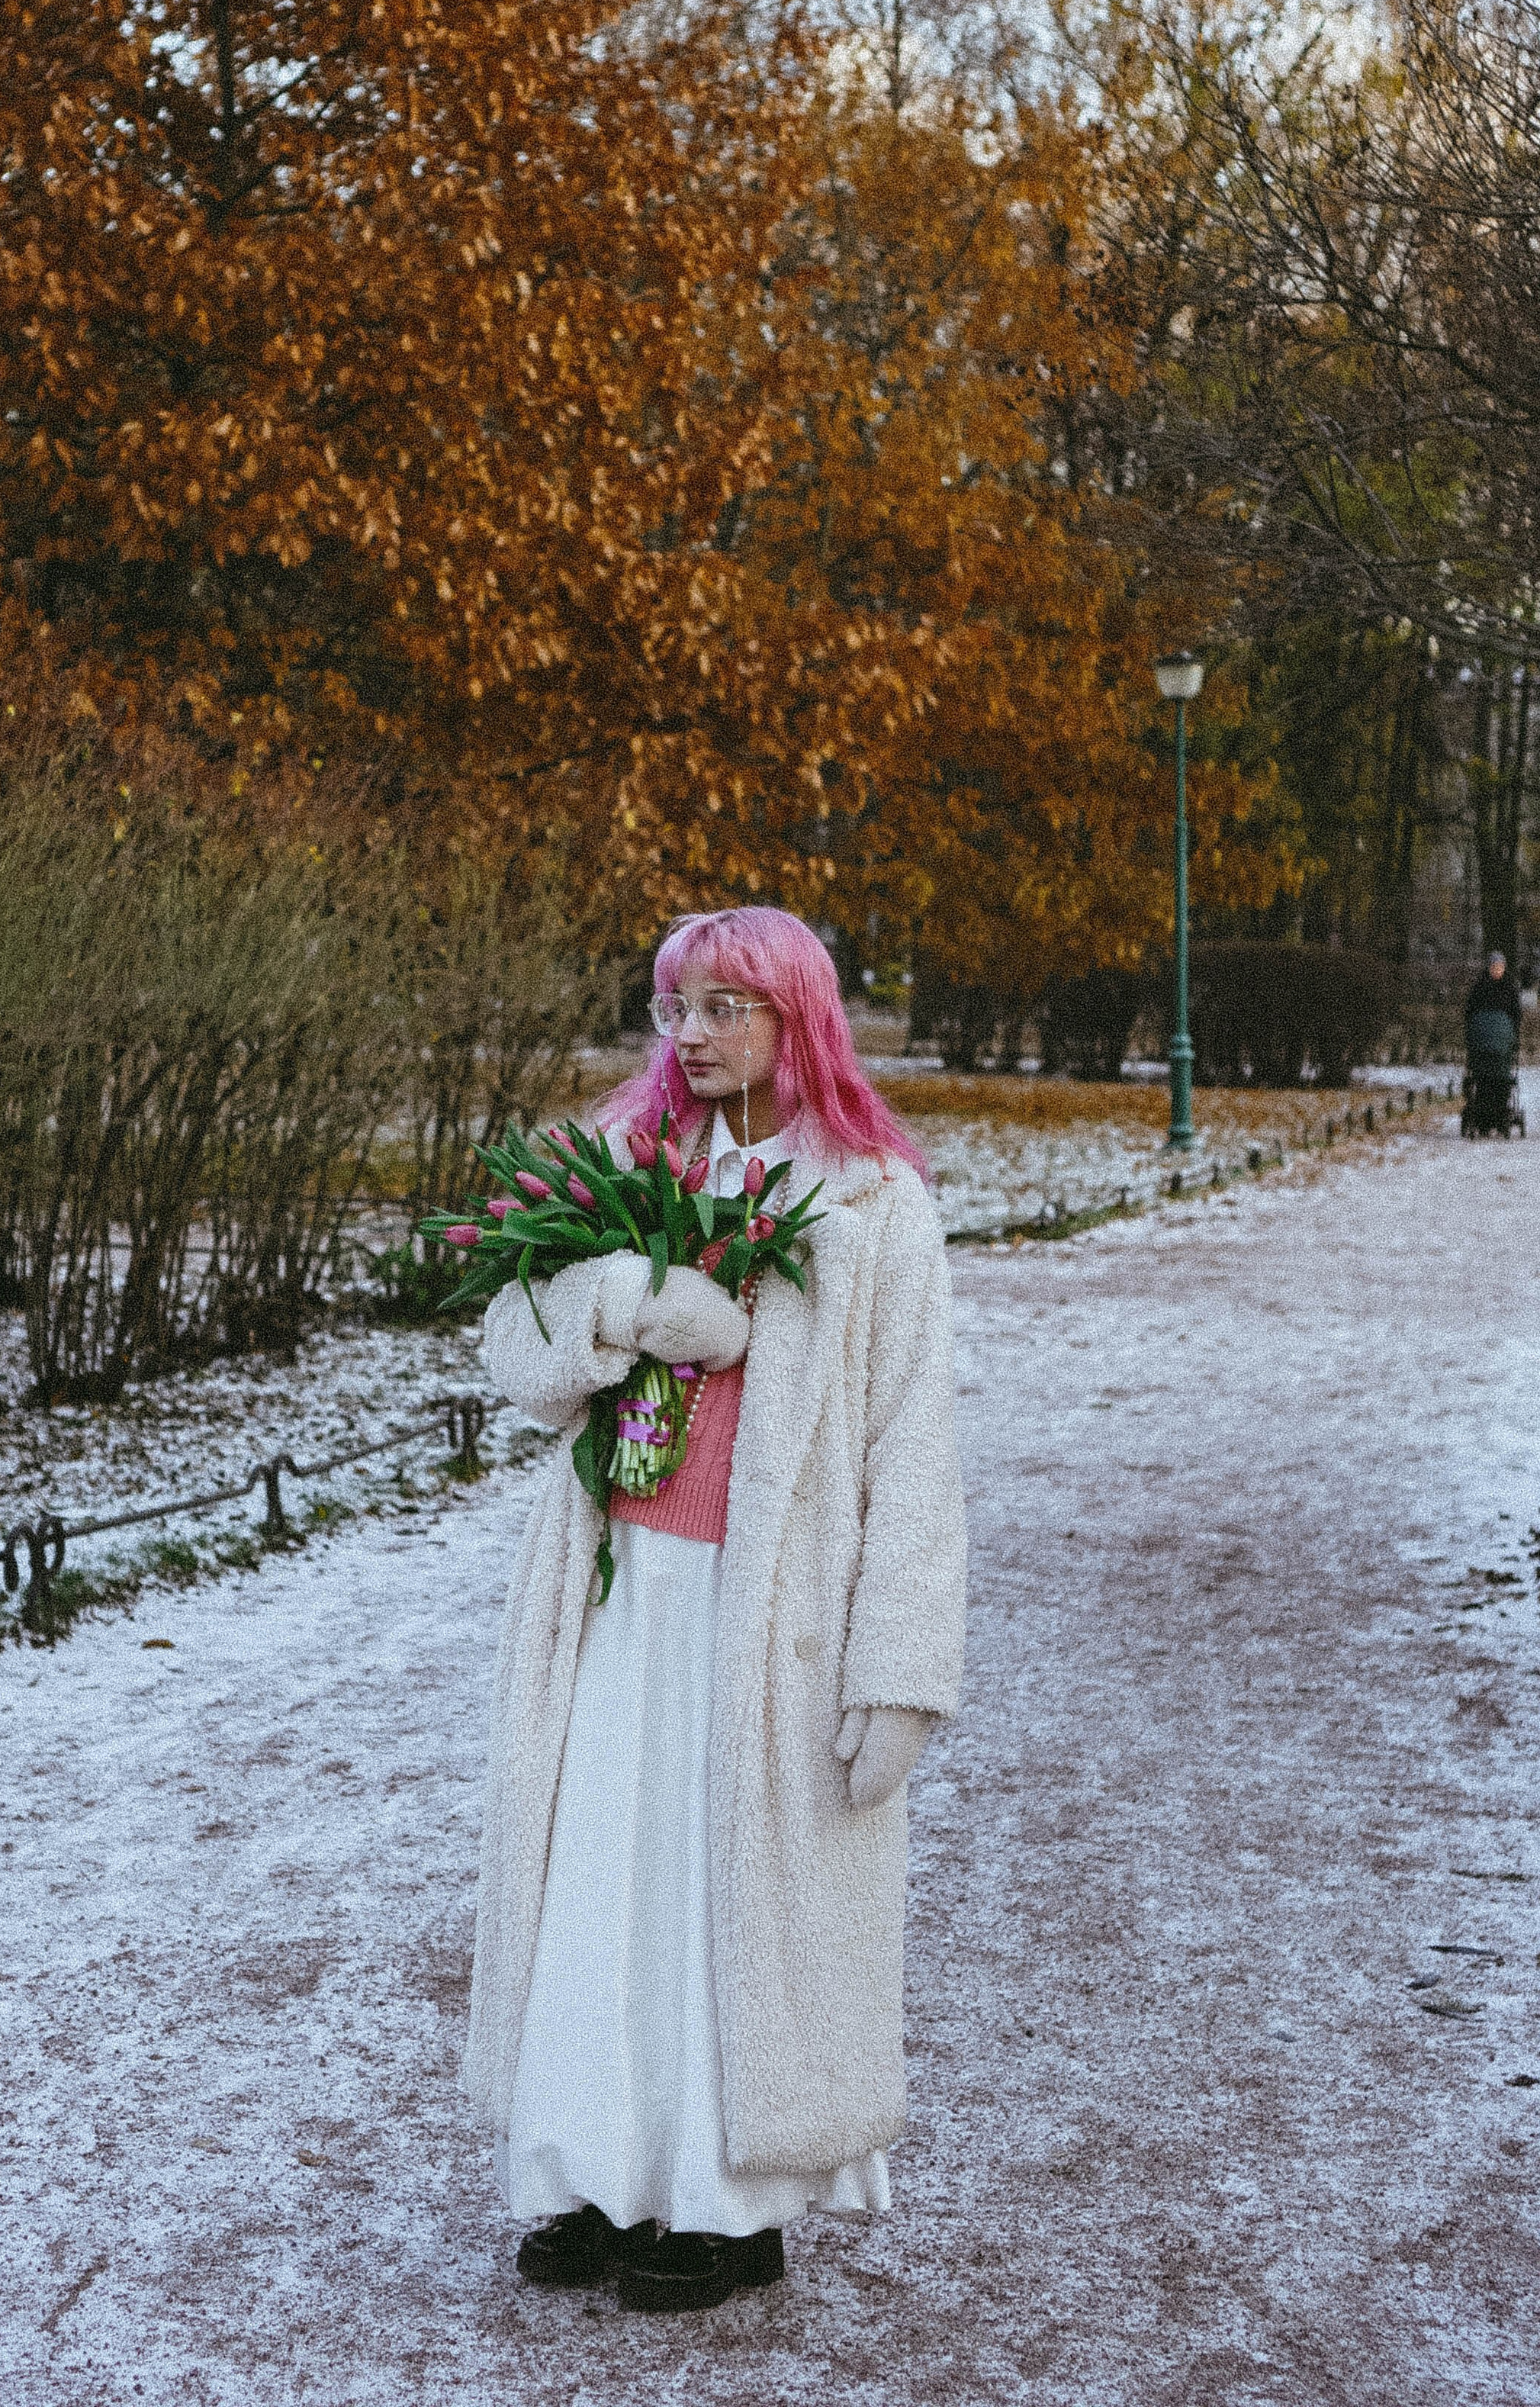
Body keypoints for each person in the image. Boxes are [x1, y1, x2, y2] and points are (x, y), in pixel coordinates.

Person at [465, 906, 965, 2316]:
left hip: (774, 1621)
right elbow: (516, 1346)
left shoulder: (872, 1202)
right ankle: (585, 2169)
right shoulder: (623, 1163)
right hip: (615, 1599)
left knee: (720, 1902)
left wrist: (903, 1670)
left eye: (727, 1007)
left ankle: (722, 2205)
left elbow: (912, 1450)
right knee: (600, 1886)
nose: (694, 1035)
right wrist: (627, 1296)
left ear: (795, 1015)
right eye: (678, 1006)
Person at [1463, 949, 1519, 1138]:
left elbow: (1516, 1016)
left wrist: (1512, 1037)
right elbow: (1470, 1014)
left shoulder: (1509, 989)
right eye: (1494, 967)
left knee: (1502, 1083)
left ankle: (1500, 1118)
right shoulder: (1480, 988)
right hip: (1482, 1045)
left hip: (1502, 1046)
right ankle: (1483, 1121)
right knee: (1484, 1082)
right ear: (1489, 968)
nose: (1497, 970)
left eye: (1500, 967)